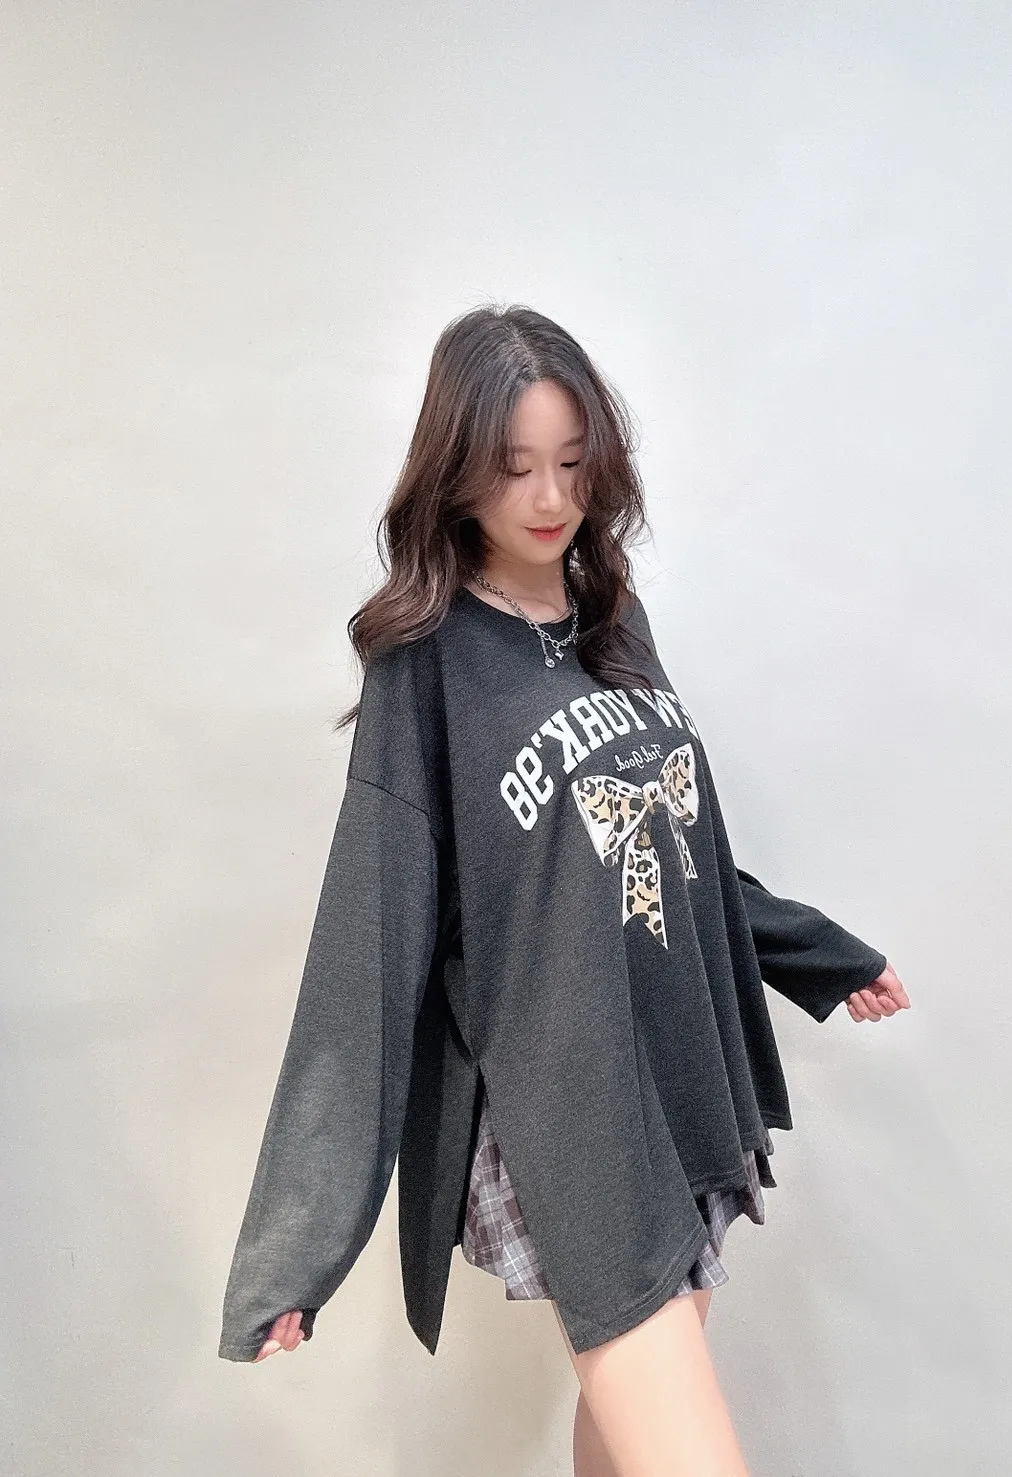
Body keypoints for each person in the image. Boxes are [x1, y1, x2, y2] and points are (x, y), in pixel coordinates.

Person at [217, 302, 911, 1477]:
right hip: (569, 1108)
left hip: (680, 1070)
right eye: (514, 467)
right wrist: (300, 1242)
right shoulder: (426, 663)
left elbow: (673, 846)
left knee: (626, 1432)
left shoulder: (612, 622)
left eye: (574, 463)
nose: (550, 498)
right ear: (456, 473)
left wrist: (817, 955)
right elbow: (366, 949)